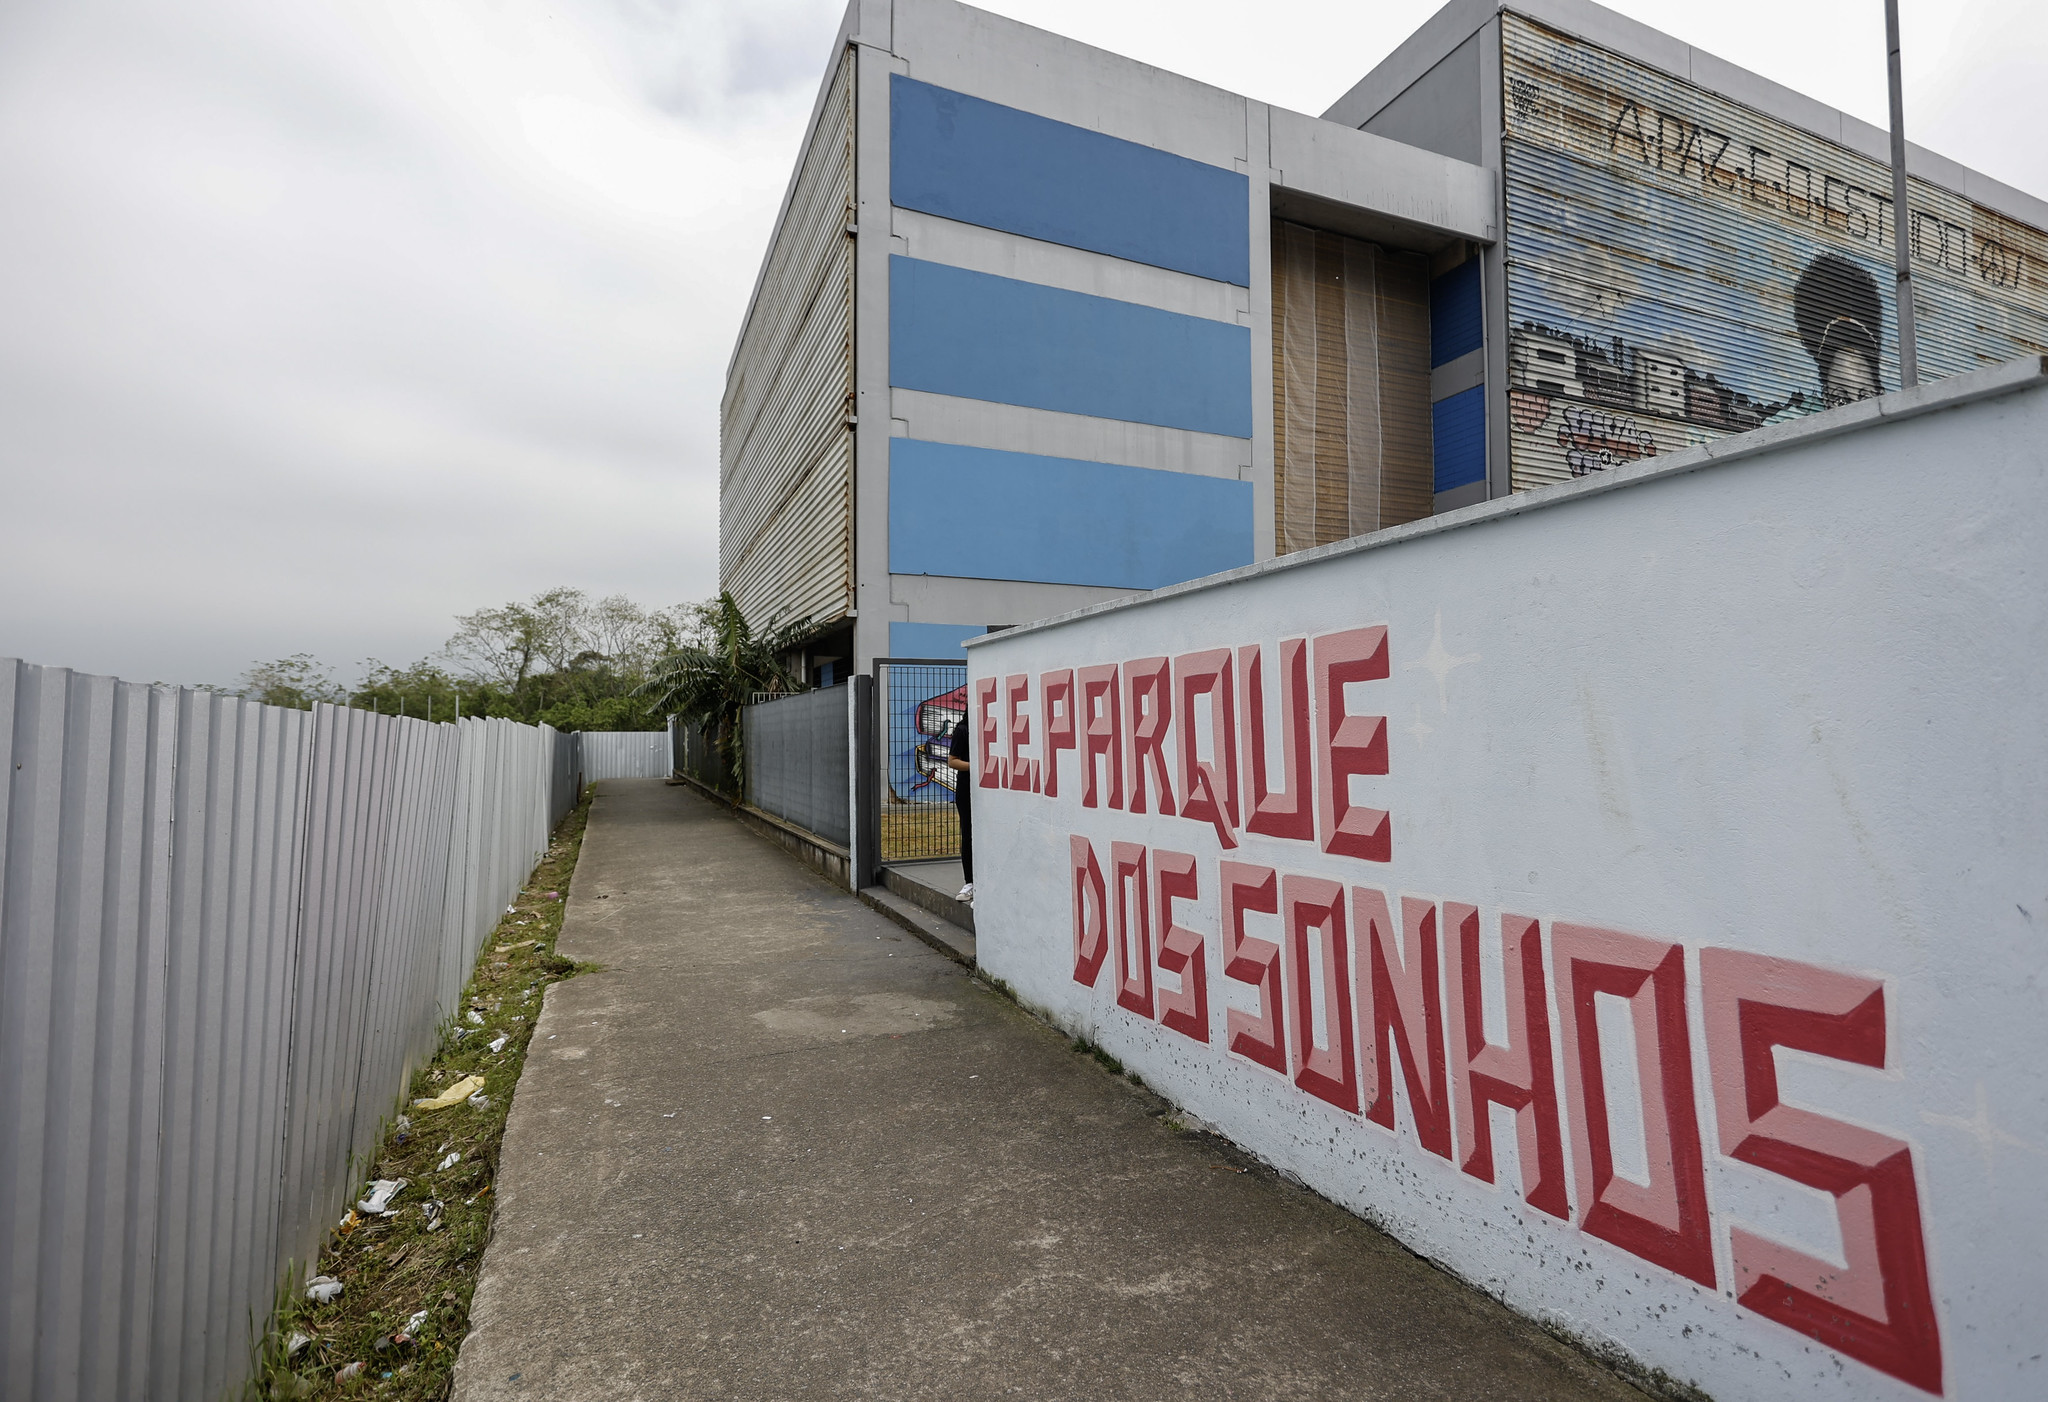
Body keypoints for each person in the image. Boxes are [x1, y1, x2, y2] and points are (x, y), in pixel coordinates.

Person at [944, 714, 974, 902]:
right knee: (968, 834)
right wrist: (975, 766)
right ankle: (970, 882)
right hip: (966, 788)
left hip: (987, 789)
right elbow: (952, 760)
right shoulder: (963, 730)